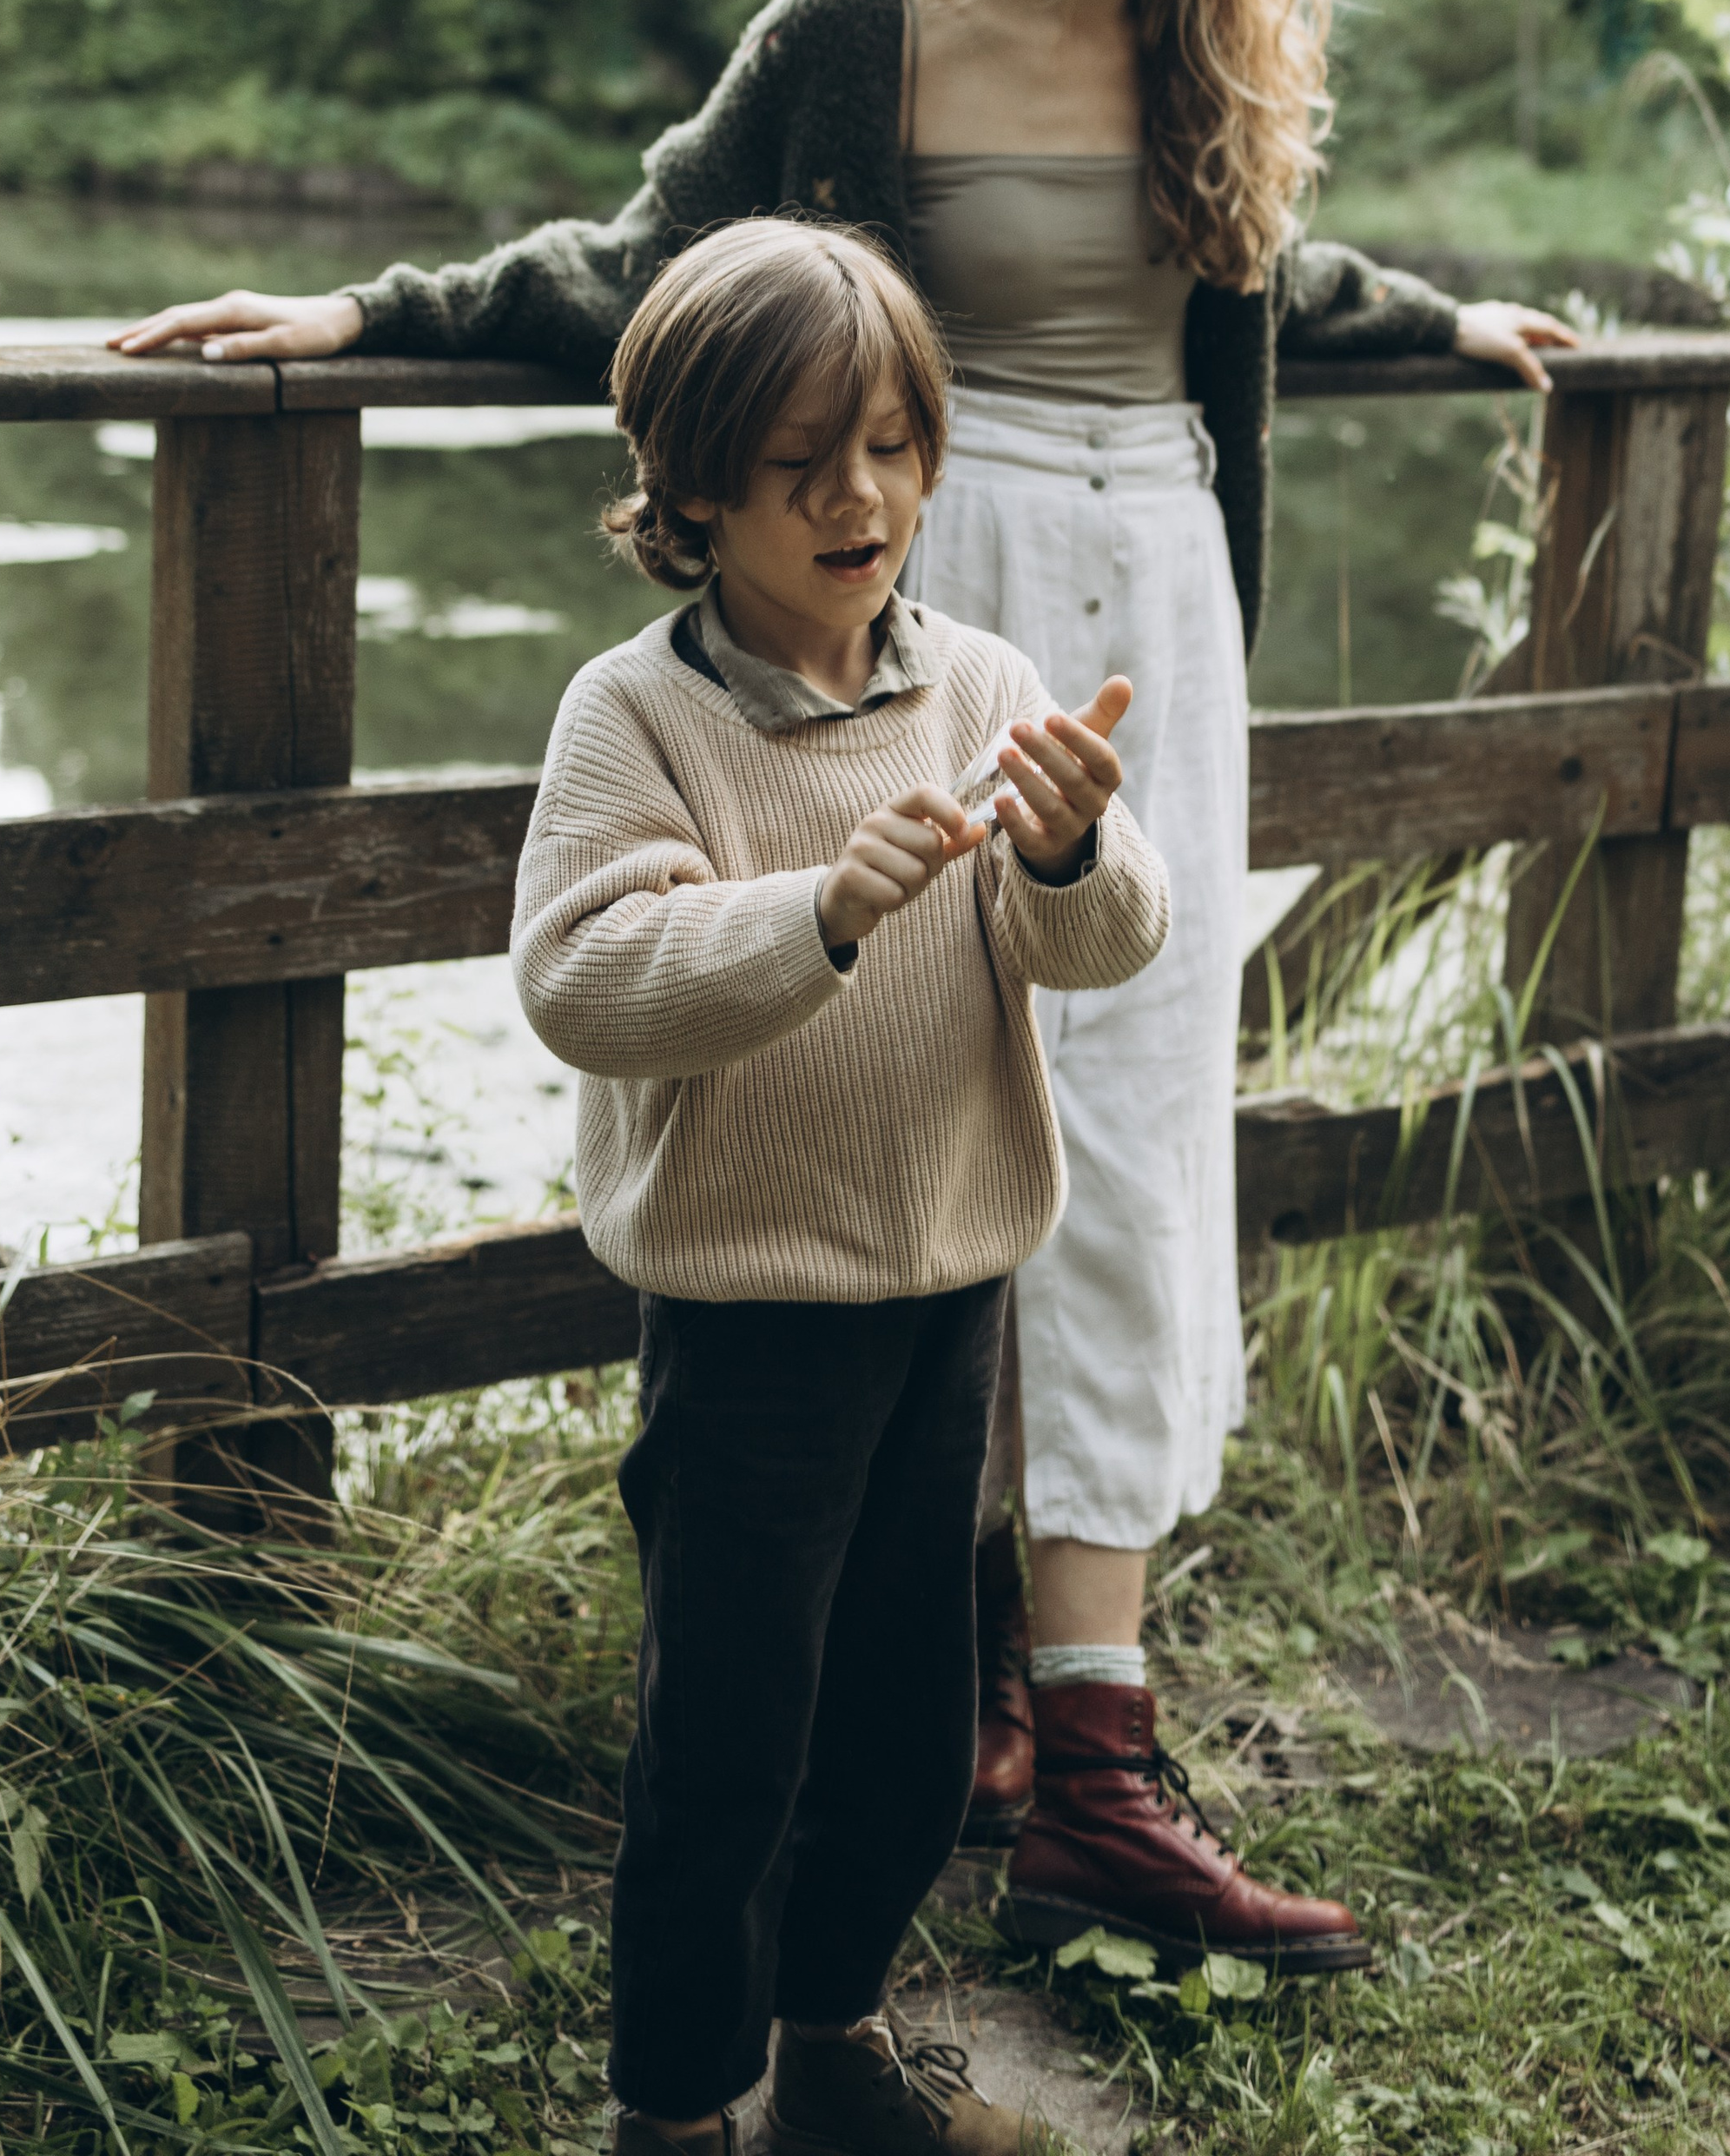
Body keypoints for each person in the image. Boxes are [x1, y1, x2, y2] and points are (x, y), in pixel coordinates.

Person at [110, 0, 1574, 1965]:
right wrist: (369, 311)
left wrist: (1446, 317)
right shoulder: (867, 29)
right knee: (927, 1087)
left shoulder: (1208, 33)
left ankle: (1088, 1731)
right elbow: (657, 253)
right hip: (936, 568)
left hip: (1160, 599)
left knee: (1136, 1111)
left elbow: (1260, 285)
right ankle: (973, 1675)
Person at [512, 215, 1170, 2156]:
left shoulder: (975, 682)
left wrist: (1066, 857)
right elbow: (582, 983)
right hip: (744, 1325)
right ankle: (674, 2106)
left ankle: (829, 2040)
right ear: (692, 489)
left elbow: (1100, 949)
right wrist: (809, 906)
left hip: (947, 1293)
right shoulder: (637, 719)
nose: (861, 494)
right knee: (724, 1750)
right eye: (804, 462)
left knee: (900, 1740)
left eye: (892, 445)